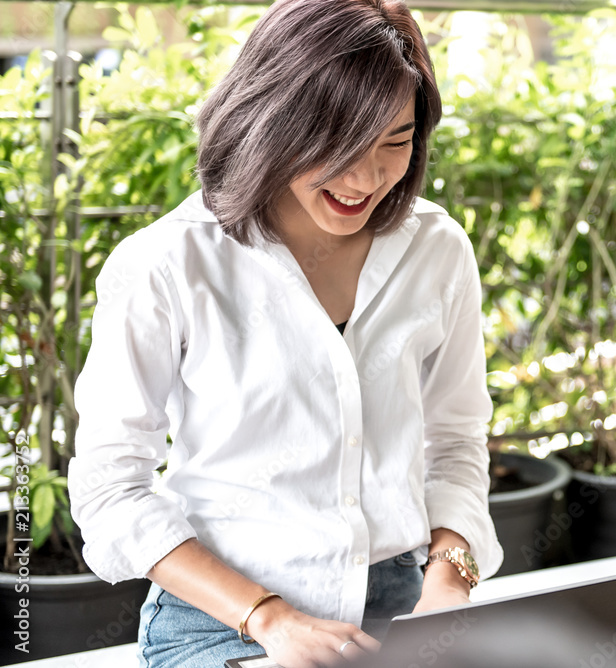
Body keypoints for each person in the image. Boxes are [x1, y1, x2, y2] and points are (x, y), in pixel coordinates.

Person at [67, 1, 503, 666]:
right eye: (339, 145)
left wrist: (449, 577)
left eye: (395, 142)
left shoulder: (437, 250)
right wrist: (268, 617)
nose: (366, 180)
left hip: (400, 597)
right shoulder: (168, 264)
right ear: (269, 119)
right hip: (220, 614)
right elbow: (110, 488)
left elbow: (456, 440)